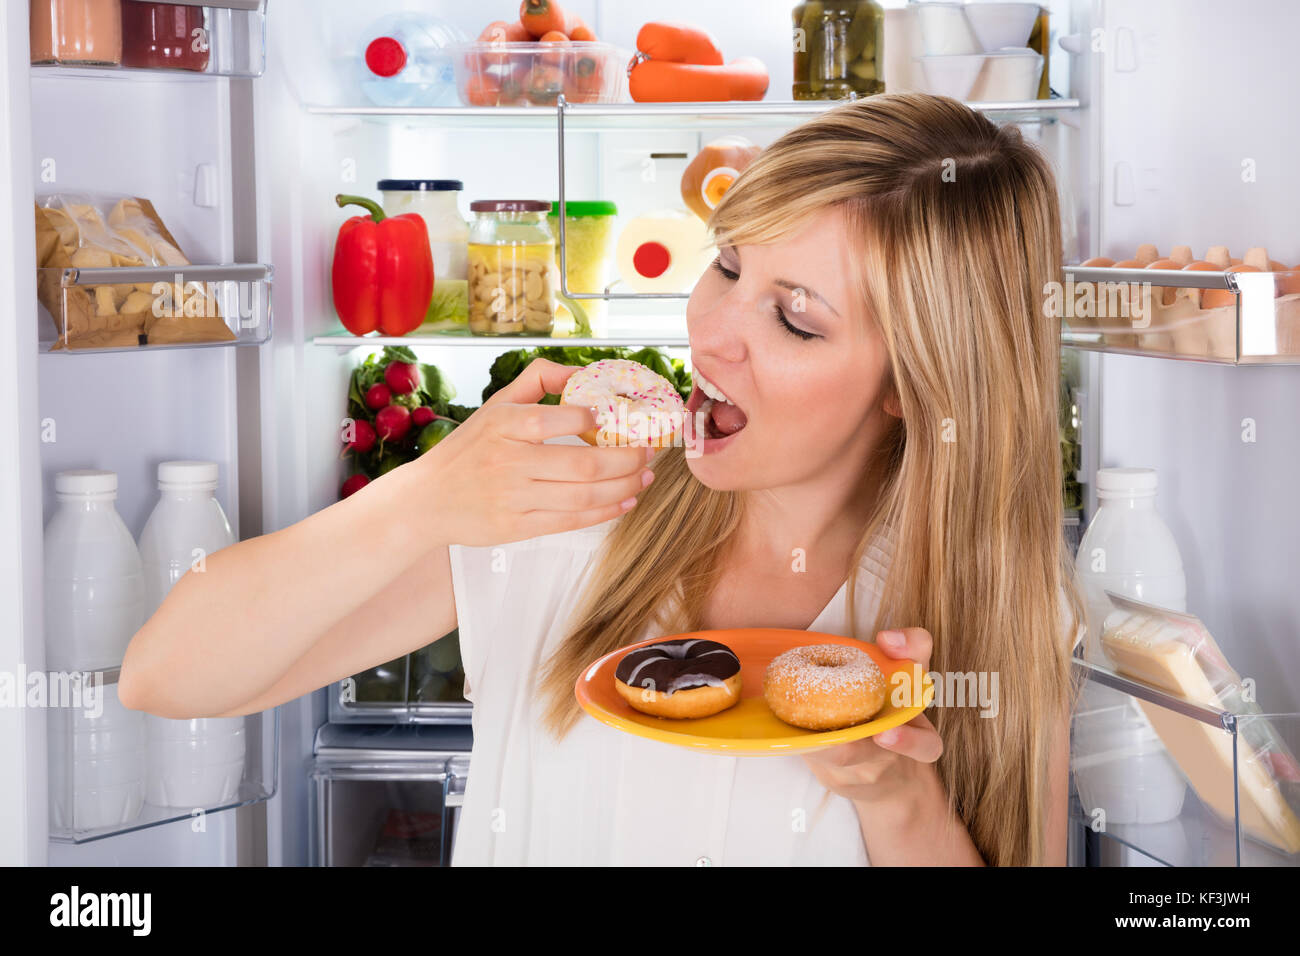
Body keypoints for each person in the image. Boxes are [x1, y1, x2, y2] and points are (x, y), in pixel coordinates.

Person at [120, 92, 1086, 866]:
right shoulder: (567, 511)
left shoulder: (1000, 609)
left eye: (794, 319)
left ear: (915, 387)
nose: (710, 333)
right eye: (727, 267)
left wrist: (903, 805)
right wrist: (422, 495)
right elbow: (168, 676)